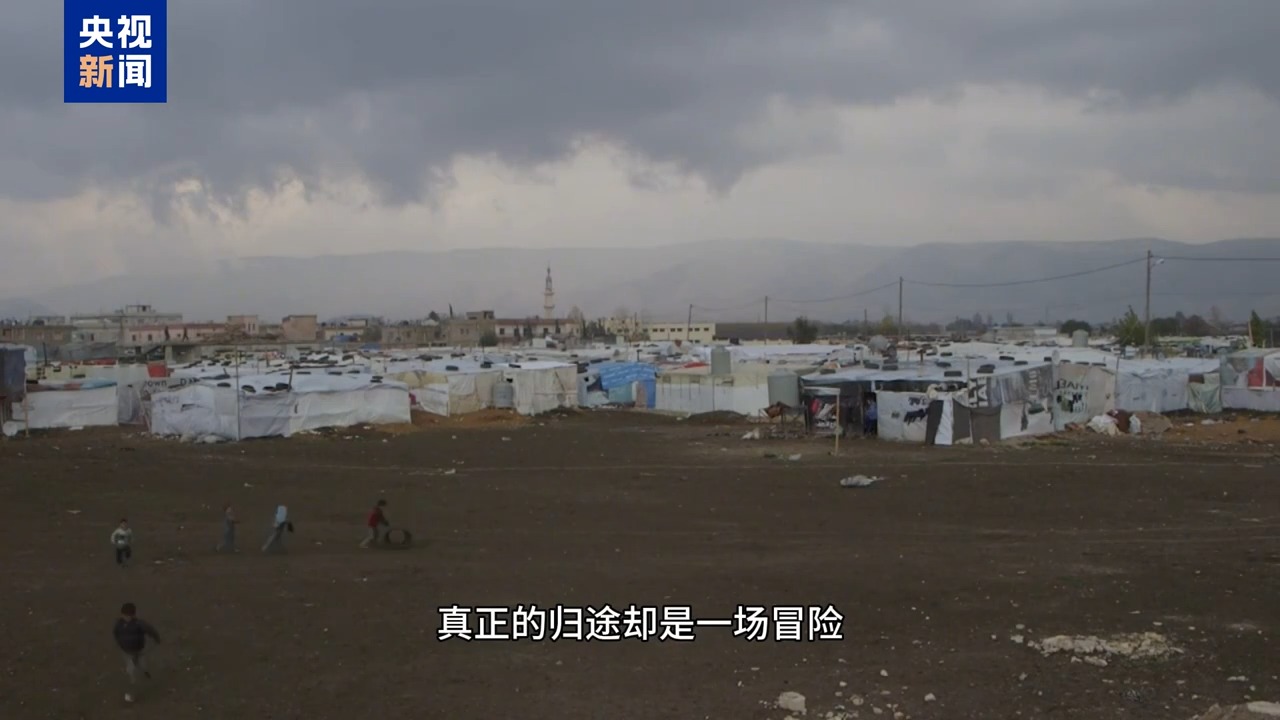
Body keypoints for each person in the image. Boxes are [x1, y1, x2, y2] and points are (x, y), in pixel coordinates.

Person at [113, 602, 160, 703]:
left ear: (133, 615)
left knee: (141, 664)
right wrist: (120, 643)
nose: (126, 618)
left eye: (128, 616)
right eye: (125, 615)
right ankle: (132, 692)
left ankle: (144, 672)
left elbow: (151, 630)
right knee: (131, 671)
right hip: (127, 652)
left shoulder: (139, 624)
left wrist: (156, 639)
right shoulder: (119, 624)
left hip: (138, 650)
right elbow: (116, 633)